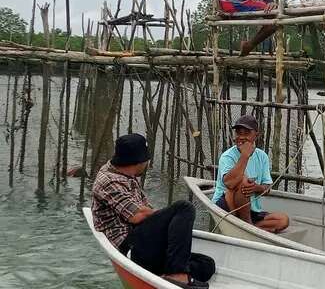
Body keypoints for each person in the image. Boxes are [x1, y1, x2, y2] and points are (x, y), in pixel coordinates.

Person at [91, 134, 214, 289]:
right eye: (146, 160)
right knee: (184, 207)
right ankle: (176, 275)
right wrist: (169, 216)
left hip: (144, 243)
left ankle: (168, 275)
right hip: (130, 246)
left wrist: (164, 218)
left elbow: (145, 211)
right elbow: (137, 215)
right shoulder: (108, 180)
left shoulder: (126, 174)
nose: (147, 163)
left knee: (207, 264)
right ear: (138, 161)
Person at [212, 115, 289, 233]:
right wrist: (244, 156)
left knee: (283, 220)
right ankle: (248, 226)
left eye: (246, 133)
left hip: (250, 209)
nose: (241, 137)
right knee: (243, 180)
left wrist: (256, 188)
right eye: (238, 133)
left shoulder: (262, 156)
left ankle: (249, 227)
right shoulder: (227, 156)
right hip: (226, 206)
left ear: (256, 135)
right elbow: (230, 183)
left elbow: (267, 188)